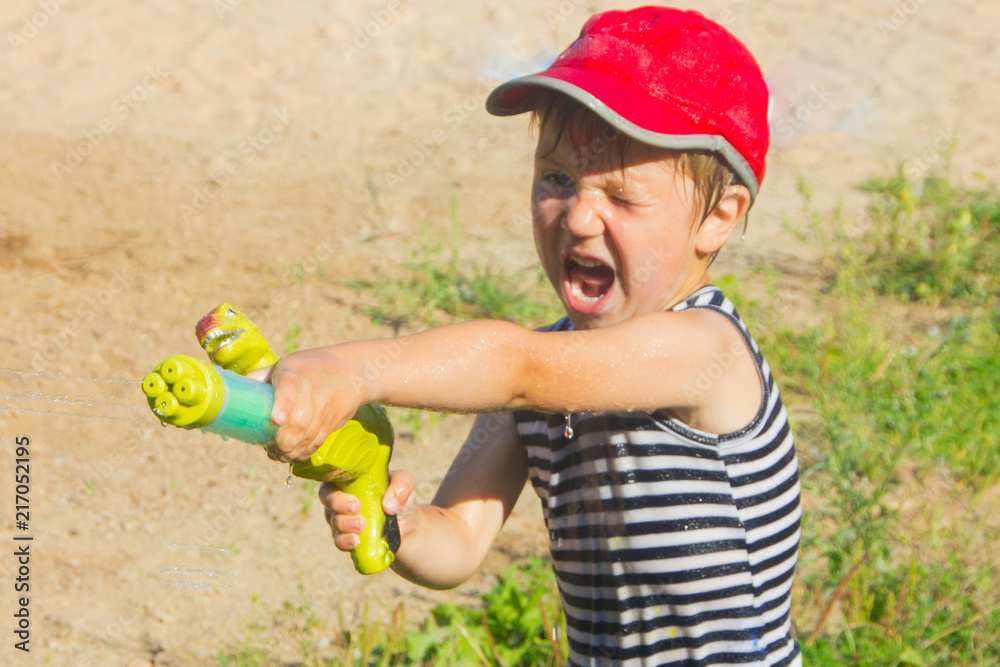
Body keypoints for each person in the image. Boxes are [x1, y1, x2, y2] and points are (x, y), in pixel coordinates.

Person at [251, 6, 801, 665]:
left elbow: (517, 365)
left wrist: (350, 369)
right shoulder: (545, 379)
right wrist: (397, 522)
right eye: (558, 178)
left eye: (622, 196)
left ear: (718, 218)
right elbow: (458, 538)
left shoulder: (705, 349)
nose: (577, 215)